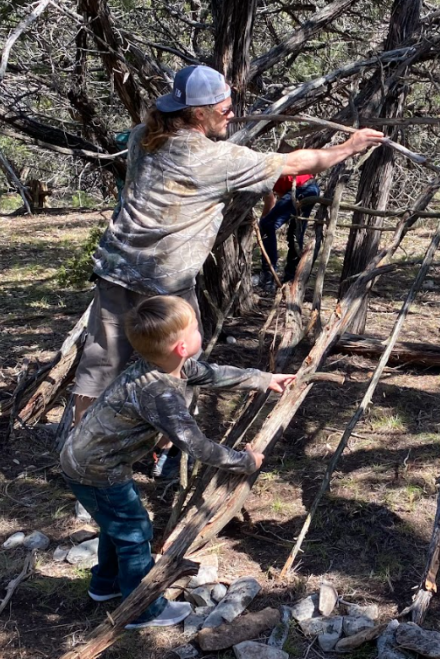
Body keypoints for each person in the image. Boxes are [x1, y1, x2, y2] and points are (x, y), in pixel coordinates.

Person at [70, 64, 383, 423]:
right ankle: (168, 452)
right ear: (199, 113)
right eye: (224, 108)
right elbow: (296, 163)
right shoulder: (217, 159)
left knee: (100, 366)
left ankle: (81, 449)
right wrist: (350, 146)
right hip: (166, 282)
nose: (232, 114)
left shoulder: (144, 135)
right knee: (181, 366)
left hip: (116, 270)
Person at [60, 296, 296, 629]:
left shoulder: (164, 365)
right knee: (133, 530)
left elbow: (211, 374)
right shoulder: (160, 393)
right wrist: (245, 461)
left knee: (118, 525)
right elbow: (196, 445)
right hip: (95, 469)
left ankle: (106, 585)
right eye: (196, 328)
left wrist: (262, 378)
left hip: (87, 459)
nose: (201, 329)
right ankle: (141, 609)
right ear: (182, 347)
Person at [258, 153, 322, 290]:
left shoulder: (259, 173)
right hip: (311, 188)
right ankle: (290, 278)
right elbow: (281, 197)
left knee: (267, 225)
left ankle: (268, 276)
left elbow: (270, 200)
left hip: (301, 189)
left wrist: (262, 223)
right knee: (295, 233)